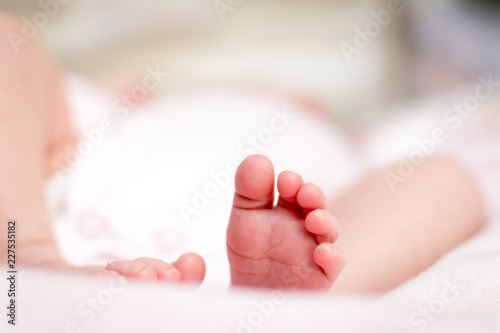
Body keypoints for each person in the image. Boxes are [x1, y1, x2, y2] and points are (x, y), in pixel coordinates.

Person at [0, 11, 485, 293]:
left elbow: (440, 178)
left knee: (446, 180)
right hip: (42, 211)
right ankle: (26, 253)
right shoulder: (123, 112)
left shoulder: (356, 151)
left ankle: (296, 303)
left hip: (225, 279)